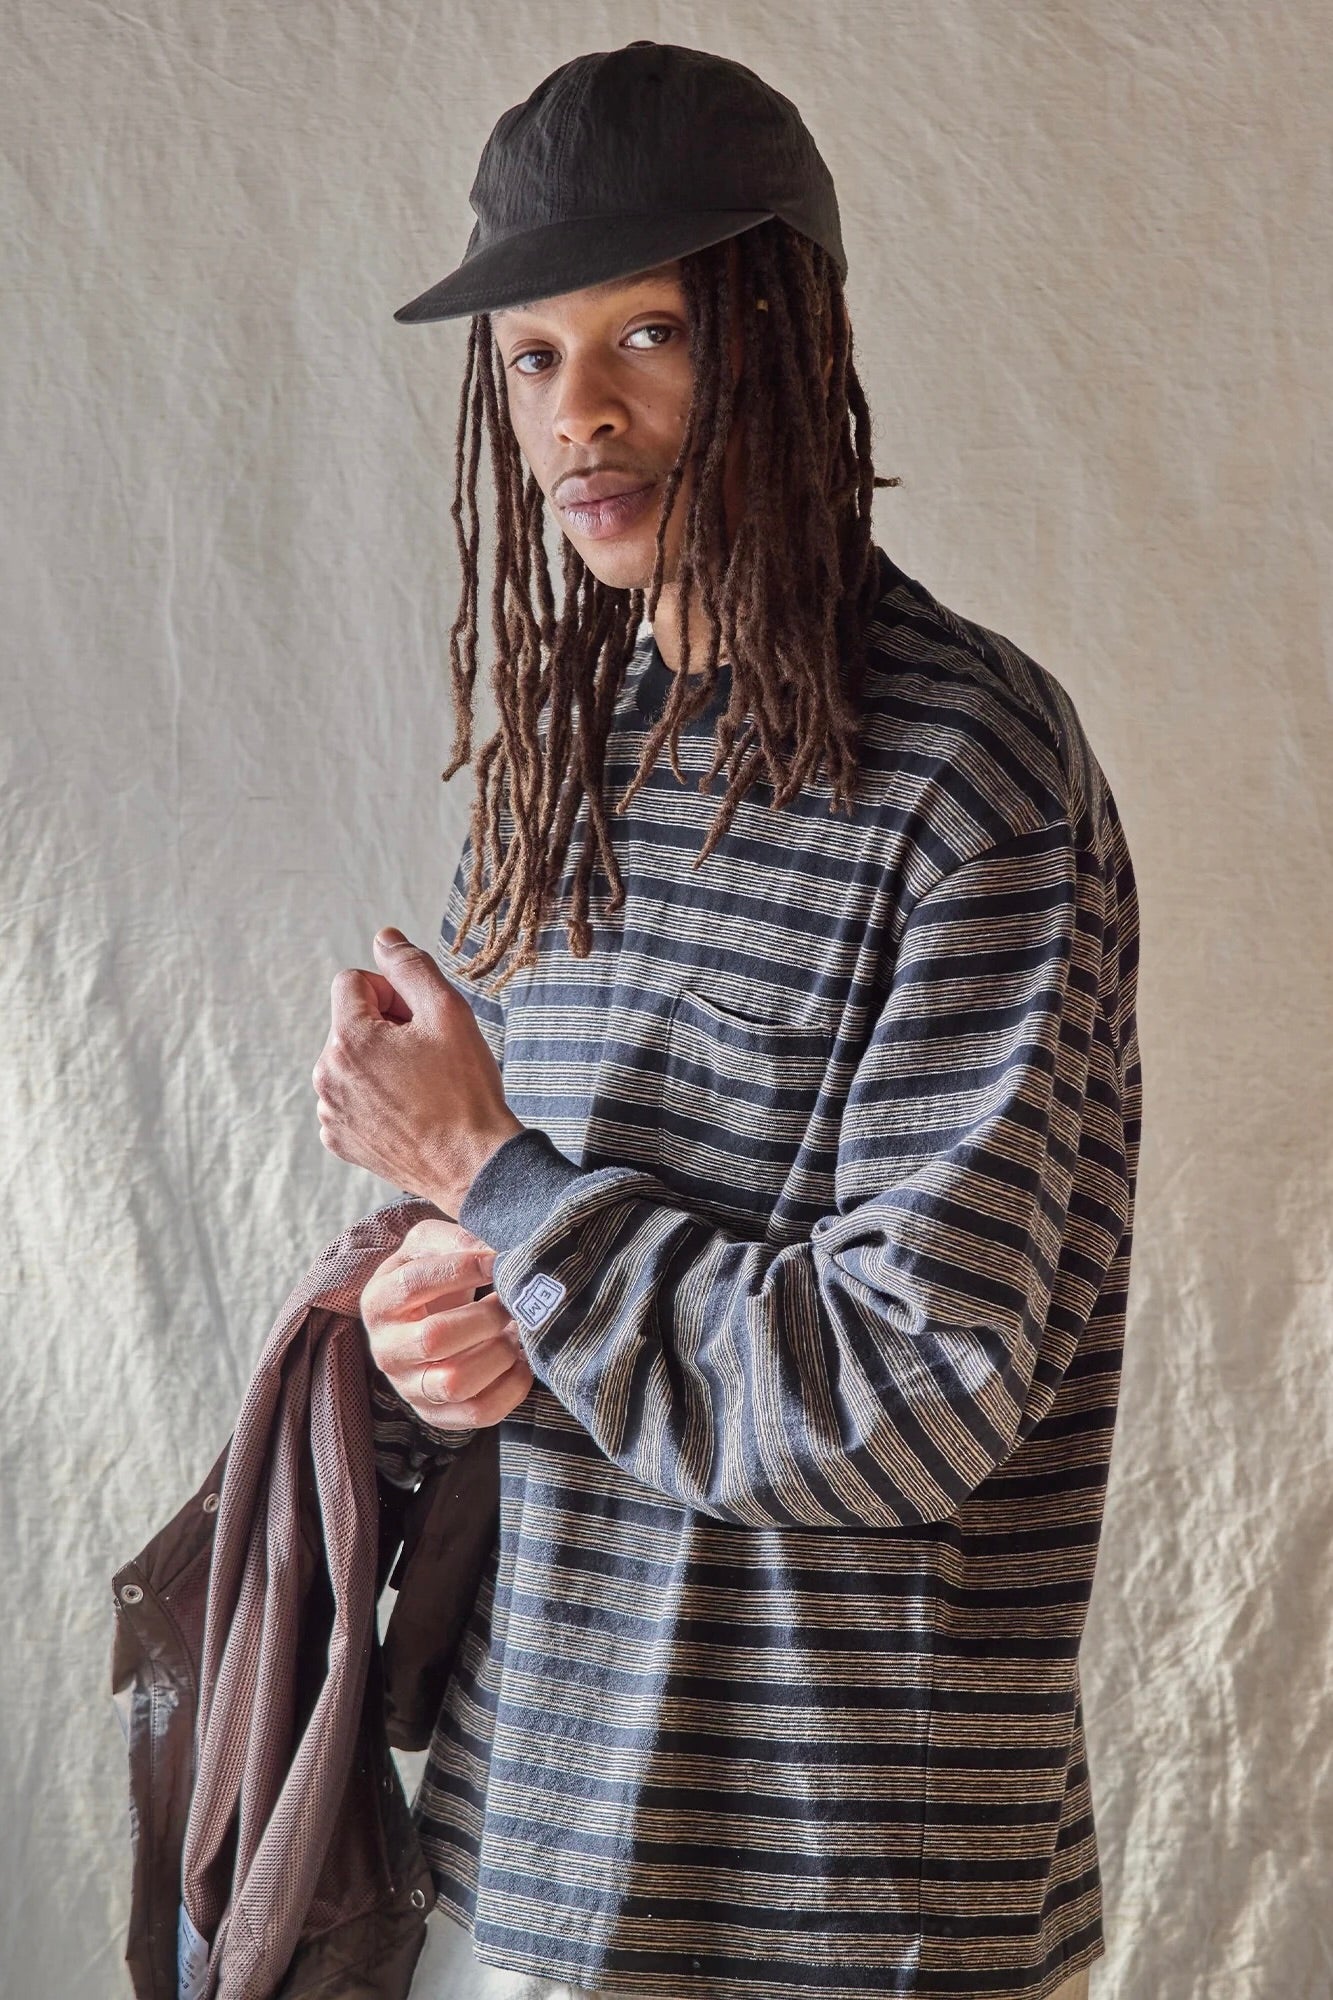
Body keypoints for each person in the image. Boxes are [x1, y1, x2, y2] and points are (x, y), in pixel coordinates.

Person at [310, 40, 1140, 2000]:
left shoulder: (971, 775)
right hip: (527, 1858)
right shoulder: (563, 767)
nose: (579, 413)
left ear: (785, 333)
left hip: (846, 1909)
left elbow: (910, 1393)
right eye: (532, 355)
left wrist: (496, 1180)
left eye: (648, 333)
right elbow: (521, 1270)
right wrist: (428, 1322)